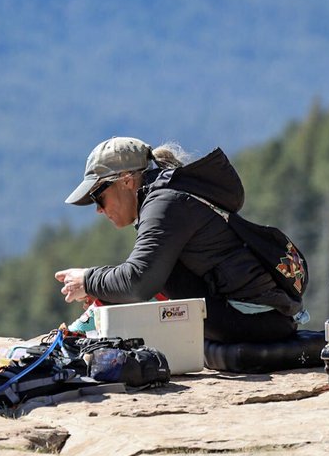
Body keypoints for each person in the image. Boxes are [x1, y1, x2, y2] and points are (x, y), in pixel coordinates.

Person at [55, 136, 304, 347]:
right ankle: (93, 319)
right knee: (157, 269)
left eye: (98, 197)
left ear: (126, 181)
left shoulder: (165, 204)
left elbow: (138, 282)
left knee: (158, 273)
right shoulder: (169, 195)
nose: (98, 209)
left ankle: (85, 327)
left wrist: (88, 280)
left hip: (254, 320)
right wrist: (103, 290)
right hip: (263, 317)